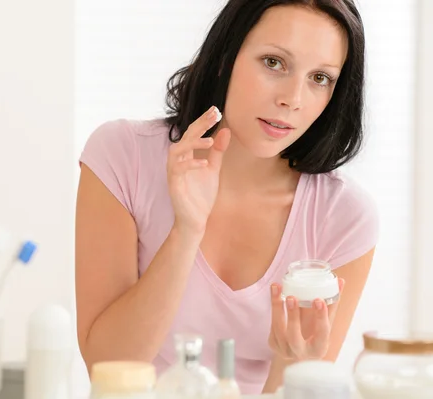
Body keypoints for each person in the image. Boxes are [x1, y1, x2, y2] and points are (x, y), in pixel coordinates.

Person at [75, 0, 378, 394]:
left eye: (320, 78)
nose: (293, 98)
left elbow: (299, 389)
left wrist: (292, 360)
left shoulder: (344, 217)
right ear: (225, 56)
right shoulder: (121, 156)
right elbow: (107, 367)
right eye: (274, 62)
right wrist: (186, 232)